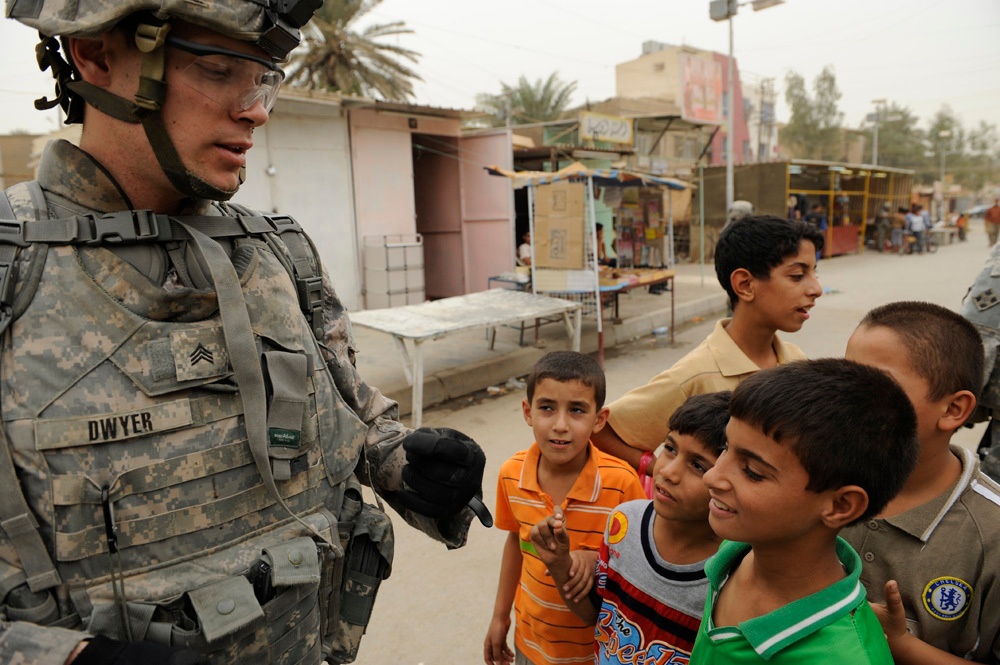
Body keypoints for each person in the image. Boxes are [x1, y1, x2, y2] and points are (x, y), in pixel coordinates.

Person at [0, 3, 489, 664]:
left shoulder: (277, 253)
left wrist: (403, 464)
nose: (254, 109)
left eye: (262, 77)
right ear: (95, 53)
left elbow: (343, 414)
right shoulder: (14, 268)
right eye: (218, 68)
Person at [690, 358, 920, 664]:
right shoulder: (737, 553)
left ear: (840, 506)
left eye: (753, 471)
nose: (712, 476)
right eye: (725, 449)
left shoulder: (843, 658)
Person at [592, 215, 823, 482]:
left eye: (815, 273)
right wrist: (656, 468)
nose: (816, 288)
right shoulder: (695, 375)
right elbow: (600, 431)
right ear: (745, 285)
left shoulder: (797, 362)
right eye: (797, 275)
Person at [844, 302, 1000, 663]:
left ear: (953, 410)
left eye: (876, 385)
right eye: (845, 376)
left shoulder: (991, 535)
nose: (845, 399)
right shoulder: (815, 480)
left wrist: (901, 644)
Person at [530, 391, 730, 665]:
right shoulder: (624, 523)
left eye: (697, 465)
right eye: (670, 448)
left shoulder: (728, 574)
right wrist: (559, 564)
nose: (669, 471)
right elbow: (594, 614)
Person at [485, 351, 646, 665]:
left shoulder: (622, 483)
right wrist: (500, 616)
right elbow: (515, 544)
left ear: (599, 419)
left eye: (576, 410)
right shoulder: (511, 474)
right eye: (547, 408)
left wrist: (594, 557)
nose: (560, 425)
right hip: (529, 642)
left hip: (594, 652)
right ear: (528, 412)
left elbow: (636, 567)